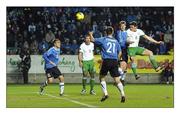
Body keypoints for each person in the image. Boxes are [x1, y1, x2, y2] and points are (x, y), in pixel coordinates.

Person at [89, 26, 125, 103]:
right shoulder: (115, 41)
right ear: (112, 32)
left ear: (105, 32)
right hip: (114, 60)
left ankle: (105, 93)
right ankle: (122, 94)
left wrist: (90, 34)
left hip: (106, 60)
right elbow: (120, 52)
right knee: (117, 79)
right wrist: (117, 59)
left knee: (101, 77)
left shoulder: (104, 39)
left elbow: (92, 40)